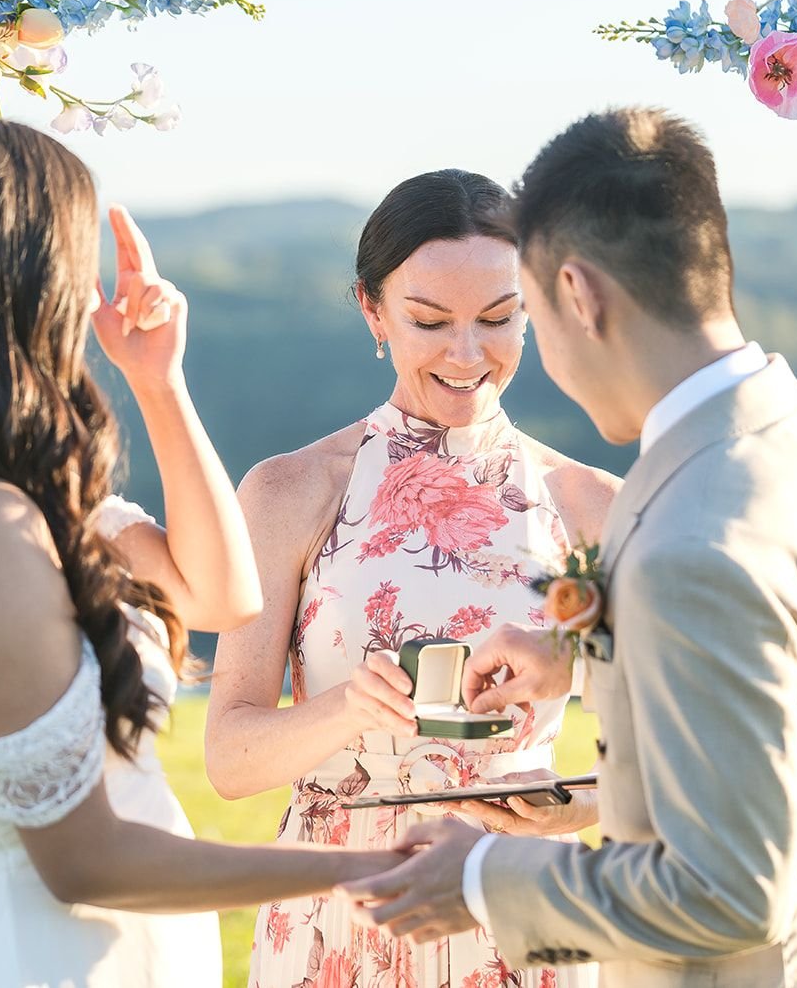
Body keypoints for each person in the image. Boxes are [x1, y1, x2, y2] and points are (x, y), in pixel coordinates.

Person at [0, 117, 406, 987]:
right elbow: (85, 860)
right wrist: (366, 866)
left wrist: (158, 380)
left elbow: (222, 595)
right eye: (71, 262)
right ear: (15, 279)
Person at [337, 108, 797, 988]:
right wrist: (582, 659)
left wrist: (480, 879)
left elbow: (725, 891)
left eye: (520, 311)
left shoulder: (693, 535)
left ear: (577, 295)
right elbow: (779, 691)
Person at [205, 169, 619, 986]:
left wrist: (578, 803)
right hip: (336, 910)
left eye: (498, 318)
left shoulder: (594, 506)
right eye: (429, 321)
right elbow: (228, 758)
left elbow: (663, 756)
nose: (467, 354)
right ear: (373, 310)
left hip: (516, 903)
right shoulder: (289, 492)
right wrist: (348, 708)